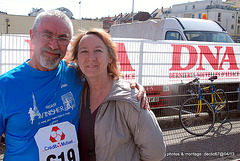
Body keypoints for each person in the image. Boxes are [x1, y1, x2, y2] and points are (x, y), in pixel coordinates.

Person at [0, 10, 147, 161]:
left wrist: (130, 87)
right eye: (47, 35)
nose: (54, 45)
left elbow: (103, 77)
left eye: (62, 38)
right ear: (32, 36)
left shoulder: (74, 74)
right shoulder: (5, 86)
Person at [70, 28, 166, 161]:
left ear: (110, 57)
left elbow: (156, 152)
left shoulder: (130, 98)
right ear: (77, 59)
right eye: (84, 51)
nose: (90, 58)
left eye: (98, 50)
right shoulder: (76, 93)